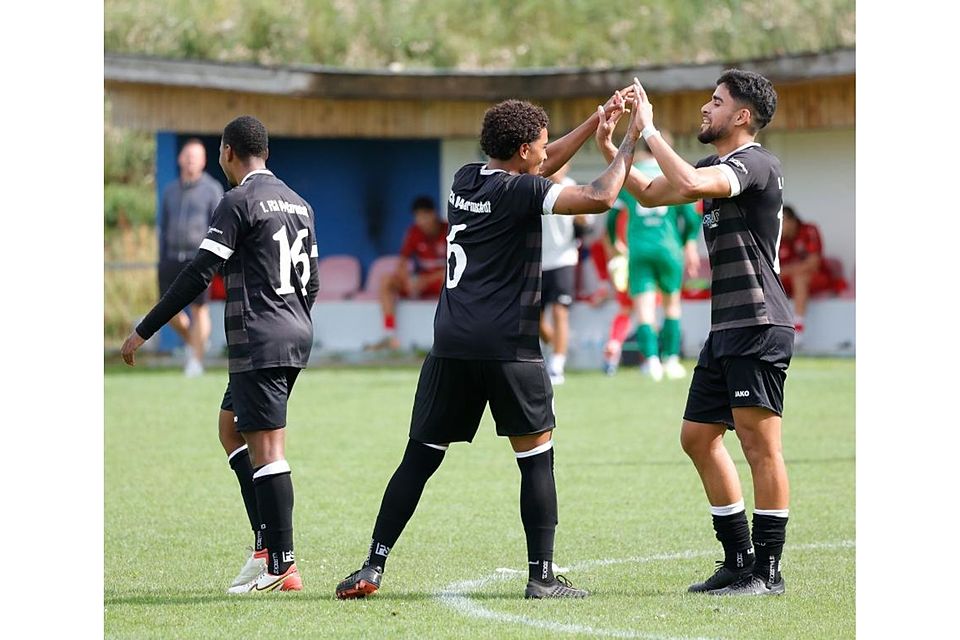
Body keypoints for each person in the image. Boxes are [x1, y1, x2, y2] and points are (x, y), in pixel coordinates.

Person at [335, 84, 645, 601]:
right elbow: (601, 196)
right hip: (508, 347)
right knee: (536, 459)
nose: (547, 153)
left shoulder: (465, 179)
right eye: (541, 145)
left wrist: (594, 123)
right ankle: (541, 576)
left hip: (451, 344)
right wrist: (631, 137)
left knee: (419, 458)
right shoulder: (521, 191)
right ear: (524, 151)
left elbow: (539, 167)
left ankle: (372, 565)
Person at [596, 71, 793, 596]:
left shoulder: (755, 163)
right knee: (698, 437)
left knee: (760, 446)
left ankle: (767, 571)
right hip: (726, 327)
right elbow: (651, 194)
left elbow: (686, 185)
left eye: (716, 101)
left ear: (742, 116)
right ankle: (737, 558)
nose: (706, 109)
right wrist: (615, 146)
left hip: (758, 324)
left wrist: (652, 129)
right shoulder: (711, 165)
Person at [121, 115, 319, 594]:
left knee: (268, 450)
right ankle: (264, 547)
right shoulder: (299, 203)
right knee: (231, 428)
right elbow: (311, 282)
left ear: (227, 152)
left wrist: (144, 329)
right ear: (265, 152)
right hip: (294, 331)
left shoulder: (237, 201)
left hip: (260, 336)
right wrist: (291, 319)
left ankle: (282, 565)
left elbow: (197, 273)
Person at [600, 133, 701, 380]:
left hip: (639, 248)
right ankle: (672, 360)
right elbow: (691, 217)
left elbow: (612, 217)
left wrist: (616, 244)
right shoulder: (672, 174)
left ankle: (652, 362)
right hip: (669, 247)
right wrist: (689, 244)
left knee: (644, 308)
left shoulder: (629, 173)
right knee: (671, 305)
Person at [157, 138, 224, 377]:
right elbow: (163, 227)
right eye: (187, 155)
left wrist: (213, 258)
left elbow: (219, 225)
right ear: (179, 159)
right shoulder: (170, 191)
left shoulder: (212, 189)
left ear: (204, 161)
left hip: (198, 259)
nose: (190, 160)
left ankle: (195, 362)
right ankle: (195, 342)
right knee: (166, 310)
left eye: (195, 156)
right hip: (171, 258)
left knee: (199, 310)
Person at [369, 196, 448, 350]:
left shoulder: (449, 230)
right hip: (421, 283)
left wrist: (427, 279)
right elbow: (402, 263)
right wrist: (409, 279)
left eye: (425, 216)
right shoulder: (413, 232)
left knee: (451, 281)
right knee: (387, 281)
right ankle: (389, 334)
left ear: (434, 214)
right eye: (418, 217)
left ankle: (447, 336)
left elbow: (456, 266)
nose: (421, 221)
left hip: (440, 283)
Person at [538, 162, 586, 385]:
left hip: (563, 258)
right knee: (534, 320)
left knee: (560, 312)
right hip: (537, 260)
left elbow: (586, 221)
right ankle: (554, 345)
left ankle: (557, 364)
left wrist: (578, 210)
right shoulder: (535, 187)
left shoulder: (570, 187)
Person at [777, 204, 836, 342]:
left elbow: (813, 263)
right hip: (788, 281)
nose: (778, 225)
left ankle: (798, 329)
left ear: (791, 221)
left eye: (782, 221)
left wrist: (787, 271)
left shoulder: (808, 230)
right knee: (766, 281)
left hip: (817, 279)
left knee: (800, 278)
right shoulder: (776, 236)